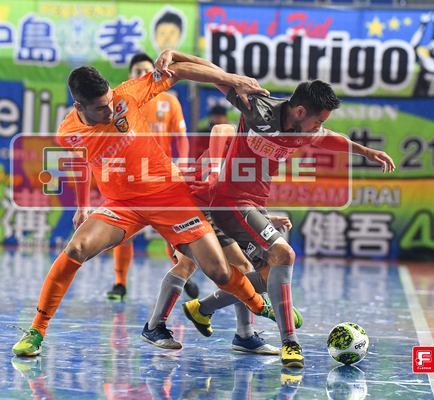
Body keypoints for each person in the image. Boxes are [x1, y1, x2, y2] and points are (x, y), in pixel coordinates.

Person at [10, 49, 276, 357]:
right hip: (122, 204)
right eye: (100, 108)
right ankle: (37, 330)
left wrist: (233, 80)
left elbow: (179, 69)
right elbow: (82, 163)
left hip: (170, 196)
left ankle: (258, 307)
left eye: (110, 102)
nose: (110, 110)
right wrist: (83, 206)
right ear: (78, 107)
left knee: (218, 270)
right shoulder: (68, 134)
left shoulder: (127, 94)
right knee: (76, 248)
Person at [151, 75, 396, 367]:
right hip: (206, 202)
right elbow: (220, 127)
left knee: (260, 275)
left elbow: (327, 137)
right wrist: (181, 66)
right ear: (300, 111)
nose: (318, 128)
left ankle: (216, 316)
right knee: (218, 262)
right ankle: (159, 325)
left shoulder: (296, 131)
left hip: (240, 205)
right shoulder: (252, 120)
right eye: (317, 121)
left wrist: (365, 151)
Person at [140, 123, 301, 353]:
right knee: (197, 264)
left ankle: (240, 333)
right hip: (191, 201)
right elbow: (218, 130)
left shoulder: (263, 159)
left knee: (235, 266)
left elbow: (247, 198)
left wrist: (267, 219)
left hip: (213, 209)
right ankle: (158, 325)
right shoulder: (248, 136)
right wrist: (215, 171)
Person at [106, 52, 198, 301]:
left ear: (155, 73)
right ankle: (120, 283)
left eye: (147, 71)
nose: (143, 75)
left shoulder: (170, 101)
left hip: (162, 177)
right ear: (130, 76)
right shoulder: (121, 102)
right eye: (138, 72)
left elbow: (182, 138)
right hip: (130, 177)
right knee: (124, 231)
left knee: (173, 231)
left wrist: (183, 162)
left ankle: (181, 273)